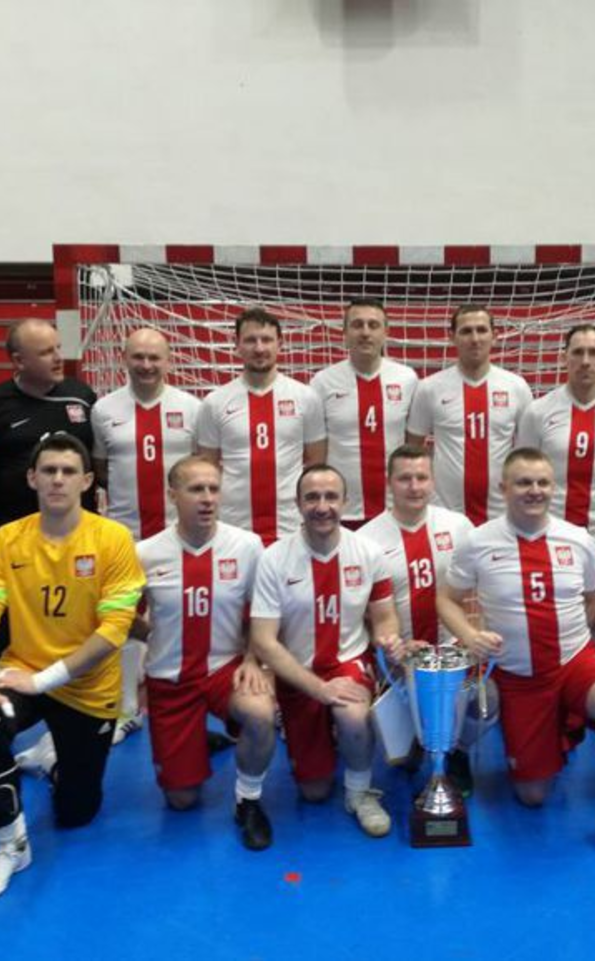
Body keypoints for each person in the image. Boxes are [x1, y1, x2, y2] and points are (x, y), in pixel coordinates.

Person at [437, 448, 595, 873]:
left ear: (554, 487)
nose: (534, 491)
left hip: (573, 661)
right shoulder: (479, 541)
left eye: (542, 483)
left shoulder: (577, 538)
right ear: (504, 488)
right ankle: (551, 731)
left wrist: (576, 634)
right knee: (532, 796)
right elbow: (446, 598)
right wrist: (471, 636)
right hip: (518, 677)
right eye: (523, 483)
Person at [0, 433, 145, 902]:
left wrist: (43, 681)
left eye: (68, 471)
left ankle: (51, 761)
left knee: (76, 814)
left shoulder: (112, 540)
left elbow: (114, 631)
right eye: (49, 471)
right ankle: (11, 847)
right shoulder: (6, 540)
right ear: (32, 478)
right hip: (20, 672)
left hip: (87, 688)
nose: (58, 479)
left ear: (87, 481)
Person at [249, 464, 402, 836]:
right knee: (314, 792)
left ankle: (359, 792)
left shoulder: (368, 552)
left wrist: (389, 639)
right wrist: (318, 689)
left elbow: (384, 618)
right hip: (298, 672)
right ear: (298, 504)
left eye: (331, 497)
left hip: (348, 662)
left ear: (345, 501)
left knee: (352, 714)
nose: (322, 506)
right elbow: (264, 641)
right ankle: (314, 732)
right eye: (312, 498)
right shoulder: (274, 558)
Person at [135, 456, 277, 849]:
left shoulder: (247, 546)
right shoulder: (145, 553)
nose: (207, 498)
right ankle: (200, 741)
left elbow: (262, 612)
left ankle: (247, 801)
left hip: (225, 670)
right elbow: (121, 617)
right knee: (181, 801)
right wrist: (155, 635)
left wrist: (254, 660)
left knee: (261, 714)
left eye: (214, 489)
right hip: (170, 680)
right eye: (196, 489)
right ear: (173, 495)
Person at [91, 326, 202, 740]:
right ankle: (126, 708)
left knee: (184, 618)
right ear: (124, 359)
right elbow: (102, 470)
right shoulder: (104, 409)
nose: (146, 365)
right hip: (127, 536)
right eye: (138, 356)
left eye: (154, 357)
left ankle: (189, 703)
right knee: (124, 617)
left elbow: (200, 471)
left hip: (179, 537)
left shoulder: (192, 408)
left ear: (168, 360)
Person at [357, 444, 487, 790]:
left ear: (433, 481)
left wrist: (472, 638)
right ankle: (420, 740)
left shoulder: (459, 527)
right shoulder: (366, 540)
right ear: (389, 482)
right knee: (405, 760)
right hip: (402, 661)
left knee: (489, 702)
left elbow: (478, 593)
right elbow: (361, 616)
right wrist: (391, 648)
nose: (414, 487)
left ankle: (456, 751)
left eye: (421, 477)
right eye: (404, 478)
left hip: (453, 653)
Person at [517, 324, 595, 570]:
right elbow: (524, 473)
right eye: (578, 352)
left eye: (593, 353)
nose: (585, 361)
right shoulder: (537, 411)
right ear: (564, 358)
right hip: (551, 531)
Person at [197, 308, 326, 546]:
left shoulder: (306, 398)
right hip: (234, 527)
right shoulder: (214, 402)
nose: (259, 348)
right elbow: (207, 469)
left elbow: (315, 465)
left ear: (280, 344)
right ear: (237, 345)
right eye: (250, 340)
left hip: (291, 525)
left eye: (266, 340)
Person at [407, 305, 533, 525]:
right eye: (466, 331)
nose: (475, 339)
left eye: (481, 330)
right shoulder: (429, 388)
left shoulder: (517, 387)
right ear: (452, 337)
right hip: (445, 513)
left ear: (494, 336)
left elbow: (528, 452)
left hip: (502, 514)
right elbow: (413, 448)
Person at [0, 318, 97, 542]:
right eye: (46, 352)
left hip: (78, 534)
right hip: (14, 534)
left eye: (58, 348)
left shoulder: (82, 396)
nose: (58, 358)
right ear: (19, 361)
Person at [310, 299, 419, 526]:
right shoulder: (322, 382)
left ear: (386, 332)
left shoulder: (407, 378)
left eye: (373, 325)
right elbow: (315, 453)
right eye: (357, 325)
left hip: (395, 509)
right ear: (345, 333)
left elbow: (414, 445)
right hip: (340, 511)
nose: (365, 333)